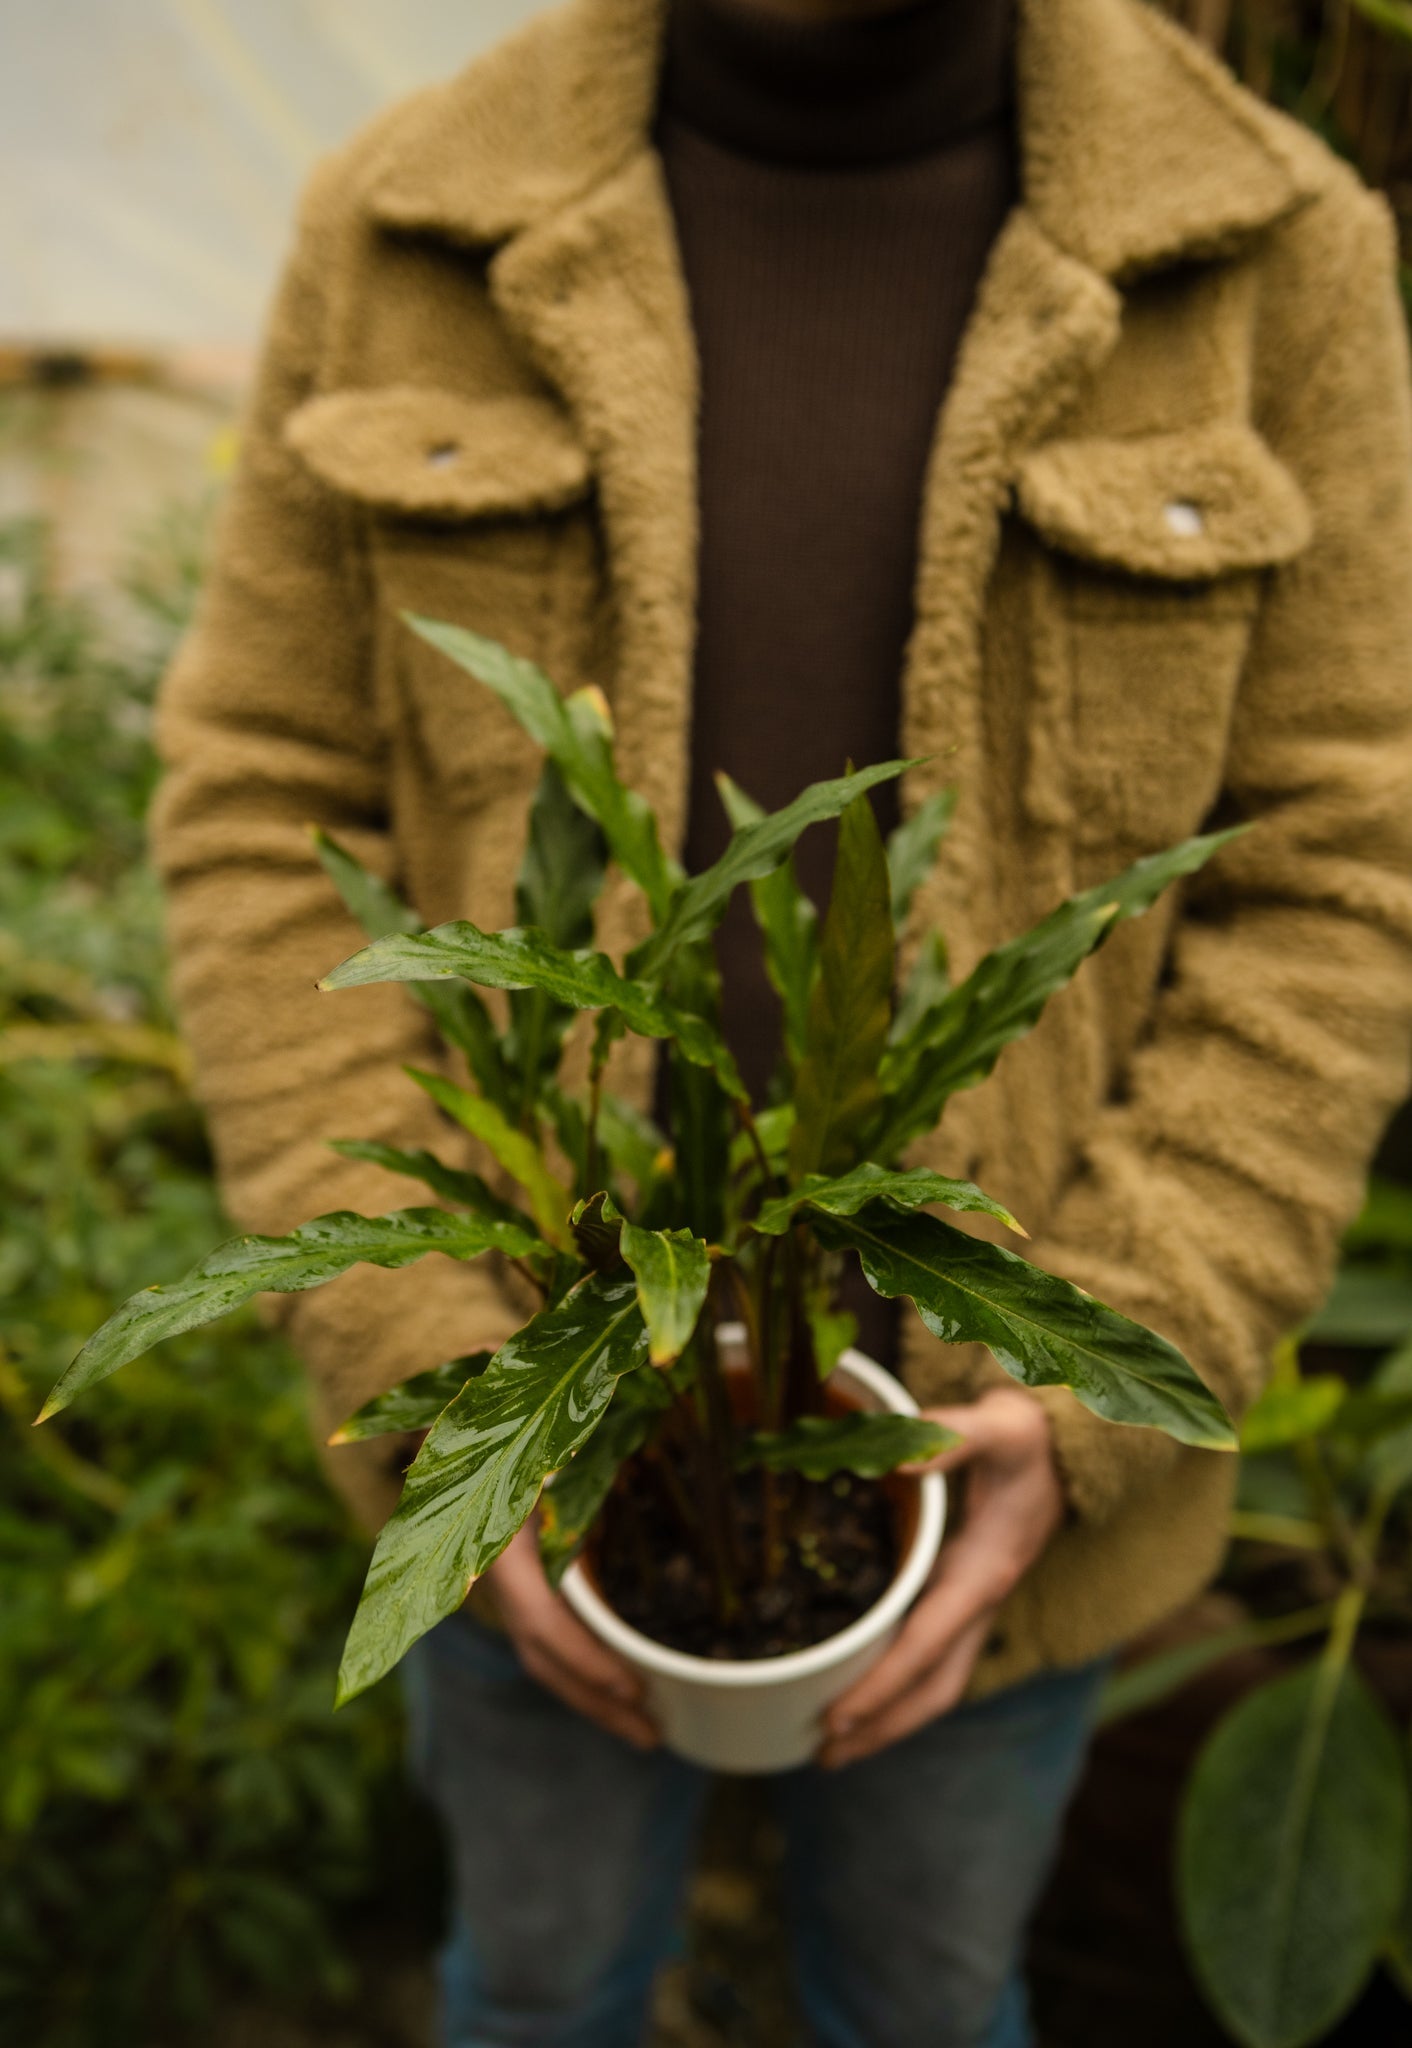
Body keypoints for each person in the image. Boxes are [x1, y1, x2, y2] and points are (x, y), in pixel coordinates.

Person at [150, 0, 1412, 2041]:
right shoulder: (404, 220)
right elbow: (256, 809)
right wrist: (424, 1356)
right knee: (539, 1982)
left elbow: (1336, 874)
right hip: (525, 1426)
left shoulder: (1273, 246)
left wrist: (1096, 1379)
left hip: (986, 1464)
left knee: (923, 1997)